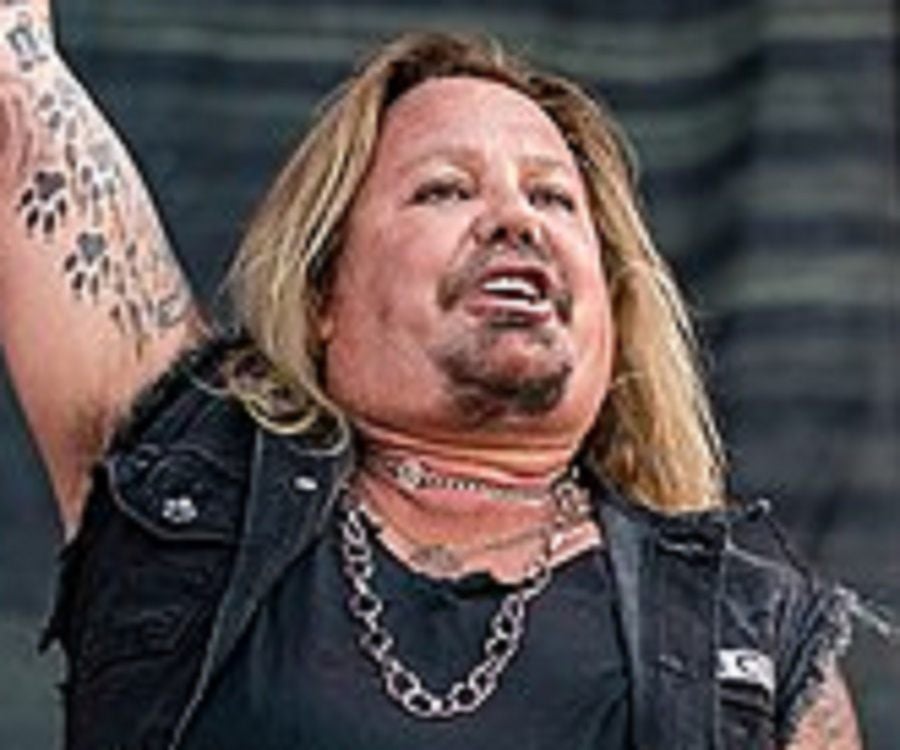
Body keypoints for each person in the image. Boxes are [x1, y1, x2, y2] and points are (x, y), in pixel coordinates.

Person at [0, 1, 863, 748]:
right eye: (445, 190)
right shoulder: (181, 470)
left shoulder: (749, 635)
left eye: (554, 197)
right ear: (324, 292)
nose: (516, 220)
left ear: (614, 299)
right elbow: (15, 84)